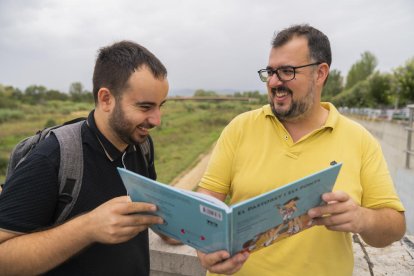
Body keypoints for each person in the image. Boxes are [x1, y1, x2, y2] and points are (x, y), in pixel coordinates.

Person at [196, 24, 406, 276]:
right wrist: (204, 247)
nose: (274, 82)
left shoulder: (360, 140)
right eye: (270, 72)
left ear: (320, 73)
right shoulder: (240, 128)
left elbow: (395, 225)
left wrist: (363, 219)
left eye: (286, 71)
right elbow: (206, 203)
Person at [0, 41, 169, 275]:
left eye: (160, 106)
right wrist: (88, 227)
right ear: (106, 99)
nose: (156, 120)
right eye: (145, 107)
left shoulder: (141, 145)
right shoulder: (53, 158)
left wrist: (177, 230)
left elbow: (148, 209)